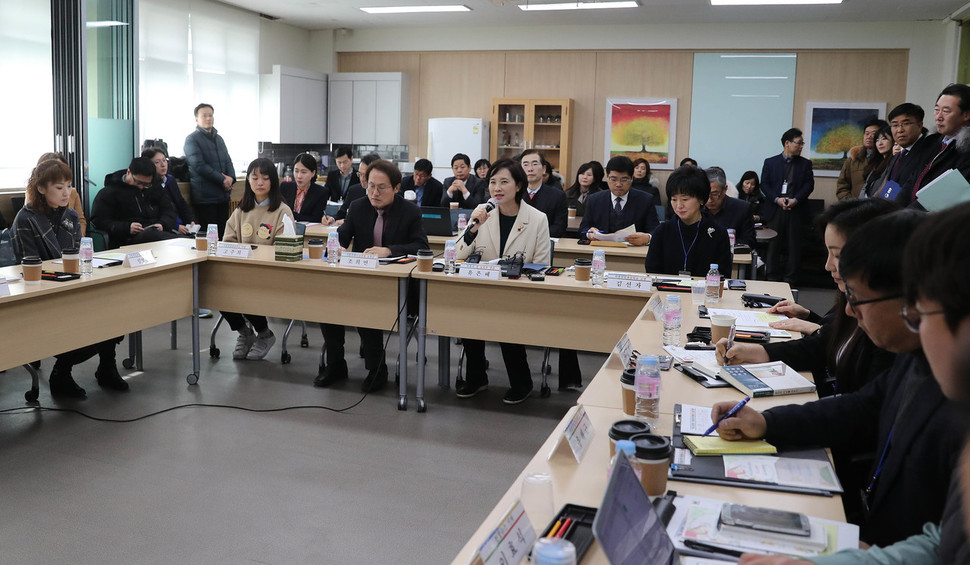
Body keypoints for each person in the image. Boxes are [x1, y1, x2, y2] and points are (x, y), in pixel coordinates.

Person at [712, 209, 963, 549]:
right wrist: (766, 423)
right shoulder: (917, 361)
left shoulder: (954, 397)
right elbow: (861, 407)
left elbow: (943, 546)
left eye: (856, 297)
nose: (848, 310)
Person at [10, 159, 126, 397]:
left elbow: (74, 256)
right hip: (42, 292)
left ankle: (106, 367)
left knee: (114, 310)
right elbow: (29, 265)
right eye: (59, 187)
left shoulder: (70, 216)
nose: (67, 192)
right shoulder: (25, 218)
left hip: (71, 285)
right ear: (42, 189)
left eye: (69, 186)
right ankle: (61, 372)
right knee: (83, 319)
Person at [315, 160, 429, 393]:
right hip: (362, 278)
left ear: (396, 188)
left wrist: (389, 250)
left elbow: (421, 246)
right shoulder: (358, 207)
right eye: (370, 186)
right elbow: (342, 236)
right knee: (328, 304)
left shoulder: (410, 211)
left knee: (367, 306)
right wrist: (338, 248)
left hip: (397, 285)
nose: (374, 193)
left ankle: (376, 369)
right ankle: (336, 365)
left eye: (382, 187)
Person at [453, 159, 551, 404]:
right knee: (469, 314)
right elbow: (456, 255)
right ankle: (476, 378)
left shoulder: (537, 219)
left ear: (518, 186)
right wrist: (472, 229)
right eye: (493, 182)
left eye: (504, 182)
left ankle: (522, 382)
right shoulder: (482, 213)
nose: (497, 188)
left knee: (507, 319)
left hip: (519, 291)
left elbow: (541, 264)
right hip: (483, 288)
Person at [220, 158, 294, 361]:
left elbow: (284, 249)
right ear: (248, 182)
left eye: (265, 178)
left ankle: (264, 334)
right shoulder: (240, 211)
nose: (259, 182)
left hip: (269, 274)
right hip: (241, 271)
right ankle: (245, 333)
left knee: (245, 289)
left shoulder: (282, 211)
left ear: (273, 182)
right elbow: (228, 241)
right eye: (254, 177)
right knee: (216, 290)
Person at [644, 165, 731, 277]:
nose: (679, 205)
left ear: (701, 199)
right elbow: (652, 271)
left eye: (685, 199)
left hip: (703, 293)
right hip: (667, 292)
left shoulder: (718, 234)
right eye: (674, 199)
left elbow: (723, 275)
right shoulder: (662, 232)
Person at [761, 127, 814, 285]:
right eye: (798, 143)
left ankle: (790, 279)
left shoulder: (805, 164)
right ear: (787, 143)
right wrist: (776, 199)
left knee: (794, 245)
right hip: (775, 208)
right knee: (773, 244)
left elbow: (809, 185)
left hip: (796, 209)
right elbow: (765, 184)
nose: (801, 146)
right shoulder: (770, 162)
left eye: (802, 143)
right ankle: (772, 276)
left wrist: (796, 199)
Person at [90, 157, 179, 246]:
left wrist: (162, 224)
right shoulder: (109, 193)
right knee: (156, 237)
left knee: (167, 239)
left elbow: (169, 211)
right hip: (126, 240)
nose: (141, 187)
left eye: (146, 184)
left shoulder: (155, 188)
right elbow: (98, 221)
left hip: (157, 234)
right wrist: (127, 228)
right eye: (138, 182)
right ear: (129, 172)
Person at [907, 83, 970, 205]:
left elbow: (944, 196)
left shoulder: (966, 150)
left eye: (946, 111)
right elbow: (912, 181)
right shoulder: (931, 141)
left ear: (966, 114)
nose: (938, 117)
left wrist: (906, 216)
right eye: (936, 110)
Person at [580, 155, 658, 245]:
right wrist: (589, 234)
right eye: (613, 179)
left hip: (633, 253)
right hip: (601, 250)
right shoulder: (594, 200)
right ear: (607, 177)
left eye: (624, 180)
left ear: (632, 178)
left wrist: (647, 237)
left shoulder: (645, 200)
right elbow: (583, 229)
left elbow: (655, 231)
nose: (618, 184)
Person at [184, 103, 235, 237]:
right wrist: (222, 179)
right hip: (204, 197)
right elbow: (198, 165)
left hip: (222, 196)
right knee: (209, 238)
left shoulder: (219, 139)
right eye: (204, 116)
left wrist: (231, 178)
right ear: (196, 119)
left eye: (211, 115)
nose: (208, 118)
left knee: (224, 235)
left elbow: (228, 160)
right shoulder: (191, 139)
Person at [873, 102, 931, 203]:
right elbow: (889, 188)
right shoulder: (897, 156)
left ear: (919, 125)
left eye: (906, 123)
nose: (900, 130)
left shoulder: (930, 151)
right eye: (895, 125)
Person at [142, 147, 197, 235]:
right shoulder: (147, 185)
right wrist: (175, 226)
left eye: (164, 160)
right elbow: (156, 214)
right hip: (165, 228)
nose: (163, 165)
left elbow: (181, 204)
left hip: (182, 227)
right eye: (157, 162)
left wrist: (191, 221)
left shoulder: (170, 179)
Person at [518, 149, 568, 237]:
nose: (530, 169)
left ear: (544, 169)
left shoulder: (558, 196)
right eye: (525, 165)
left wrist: (533, 234)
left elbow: (559, 227)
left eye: (535, 164)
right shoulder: (514, 194)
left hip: (544, 242)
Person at [835, 118, 888, 200]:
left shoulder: (887, 160)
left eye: (874, 133)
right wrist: (851, 204)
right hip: (854, 208)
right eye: (866, 133)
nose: (869, 137)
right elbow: (842, 186)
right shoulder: (853, 159)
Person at [36, 152, 87, 235]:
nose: (66, 193)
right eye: (59, 187)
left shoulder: (71, 213)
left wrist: (78, 239)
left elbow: (80, 220)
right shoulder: (29, 216)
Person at [704, 166, 755, 248]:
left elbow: (749, 241)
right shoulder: (695, 208)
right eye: (705, 194)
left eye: (714, 194)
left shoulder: (742, 209)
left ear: (725, 189)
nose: (709, 200)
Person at [280, 153, 330, 223]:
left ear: (313, 173)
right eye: (296, 171)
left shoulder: (321, 192)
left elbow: (316, 218)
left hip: (309, 231)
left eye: (303, 172)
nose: (299, 176)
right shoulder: (285, 187)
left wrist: (290, 214)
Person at [334, 152, 380, 223]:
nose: (362, 179)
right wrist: (332, 219)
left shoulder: (384, 194)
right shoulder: (354, 190)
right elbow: (341, 214)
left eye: (365, 175)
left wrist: (349, 221)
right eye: (360, 174)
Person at [862, 125, 895, 198]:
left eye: (884, 139)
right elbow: (864, 188)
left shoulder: (895, 163)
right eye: (877, 140)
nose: (880, 143)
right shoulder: (875, 163)